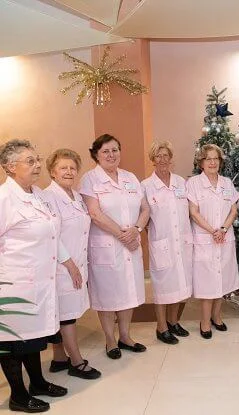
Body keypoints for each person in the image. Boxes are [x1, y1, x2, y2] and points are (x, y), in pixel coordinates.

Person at [0, 140, 68, 413]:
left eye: (37, 159)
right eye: (30, 161)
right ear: (9, 167)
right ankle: (18, 395)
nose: (38, 164)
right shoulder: (4, 199)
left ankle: (37, 382)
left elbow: (51, 232)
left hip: (39, 281)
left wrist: (68, 262)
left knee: (32, 337)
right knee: (12, 340)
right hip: (14, 283)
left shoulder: (36, 193)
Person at [80, 134, 150, 359]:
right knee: (108, 295)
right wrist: (123, 234)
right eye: (105, 151)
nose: (111, 155)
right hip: (107, 245)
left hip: (130, 242)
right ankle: (110, 340)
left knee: (129, 291)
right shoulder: (90, 179)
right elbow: (94, 213)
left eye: (115, 150)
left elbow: (145, 209)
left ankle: (125, 336)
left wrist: (136, 230)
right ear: (96, 155)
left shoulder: (130, 177)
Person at [43, 149, 101, 379]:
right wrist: (71, 265)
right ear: (53, 172)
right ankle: (76, 362)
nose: (69, 171)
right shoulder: (48, 197)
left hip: (76, 262)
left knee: (64, 312)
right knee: (66, 315)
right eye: (63, 168)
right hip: (62, 266)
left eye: (72, 167)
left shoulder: (76, 196)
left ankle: (59, 358)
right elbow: (52, 236)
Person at [141, 141, 193, 345]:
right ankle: (161, 327)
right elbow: (143, 216)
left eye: (165, 156)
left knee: (180, 284)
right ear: (152, 160)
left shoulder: (181, 182)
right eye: (158, 156)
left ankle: (173, 321)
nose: (162, 160)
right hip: (161, 243)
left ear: (171, 159)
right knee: (163, 287)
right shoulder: (146, 186)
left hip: (182, 242)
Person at [187, 144, 239, 339]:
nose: (212, 162)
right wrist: (213, 231)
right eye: (208, 159)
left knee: (222, 281)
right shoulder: (193, 183)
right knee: (207, 283)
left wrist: (223, 229)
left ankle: (217, 317)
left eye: (215, 159)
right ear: (201, 162)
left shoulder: (227, 182)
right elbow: (193, 212)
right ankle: (205, 321)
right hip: (206, 239)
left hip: (224, 237)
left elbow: (233, 210)